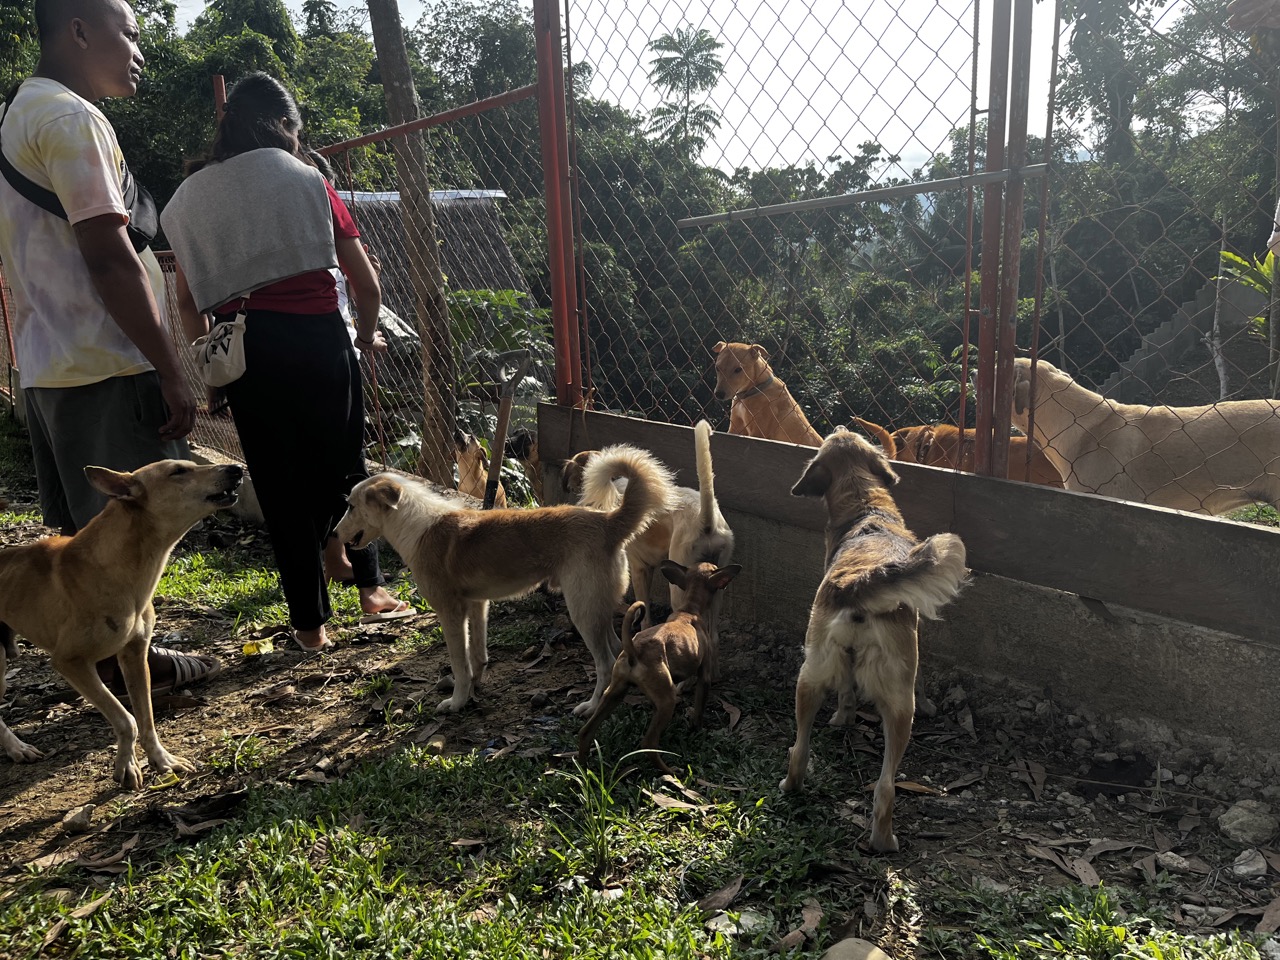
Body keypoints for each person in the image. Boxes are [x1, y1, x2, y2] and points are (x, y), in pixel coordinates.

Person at [0, 0, 218, 693]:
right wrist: (169, 368)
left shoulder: (17, 116)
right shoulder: (70, 117)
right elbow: (109, 252)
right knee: (127, 529)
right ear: (79, 30)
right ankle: (137, 666)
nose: (138, 50)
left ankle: (108, 655)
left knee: (83, 533)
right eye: (127, 33)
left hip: (50, 364)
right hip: (103, 362)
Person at [162, 72, 411, 653]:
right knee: (346, 467)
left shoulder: (187, 198)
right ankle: (372, 591)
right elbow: (365, 285)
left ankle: (309, 628)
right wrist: (363, 339)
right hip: (319, 340)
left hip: (244, 351)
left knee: (279, 485)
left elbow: (187, 303)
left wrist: (213, 370)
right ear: (284, 126)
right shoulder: (308, 180)